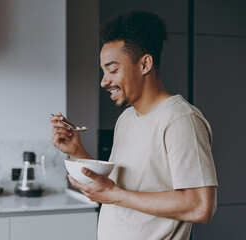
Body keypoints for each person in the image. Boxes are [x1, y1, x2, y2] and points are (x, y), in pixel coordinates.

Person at [50, 11, 218, 240]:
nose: (104, 81)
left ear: (145, 64)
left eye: (113, 70)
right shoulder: (126, 119)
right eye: (103, 71)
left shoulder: (180, 119)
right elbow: (119, 187)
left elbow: (200, 206)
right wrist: (76, 151)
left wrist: (112, 194)